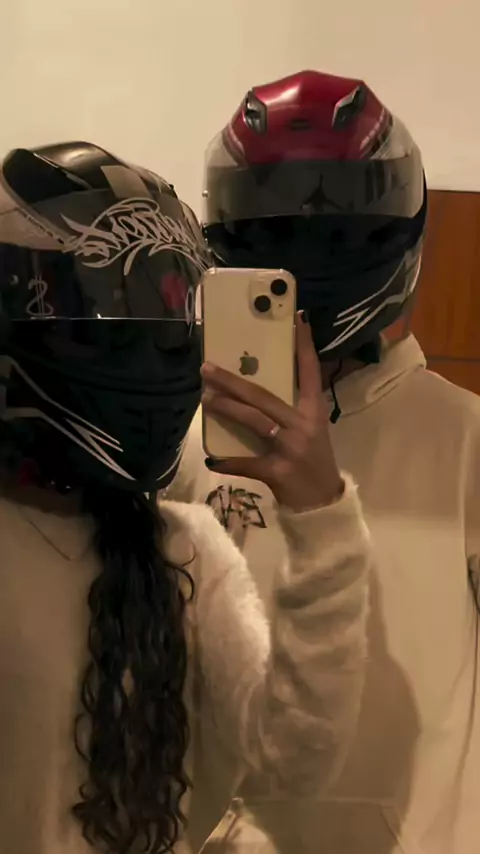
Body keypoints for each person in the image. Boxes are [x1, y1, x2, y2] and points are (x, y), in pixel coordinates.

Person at [0, 141, 372, 854]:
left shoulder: (187, 548)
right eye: (112, 333)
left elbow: (292, 758)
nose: (148, 363)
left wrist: (321, 518)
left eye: (167, 332)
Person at [175, 71, 480, 854]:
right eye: (277, 220)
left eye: (336, 225)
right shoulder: (193, 441)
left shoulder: (466, 439)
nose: (306, 243)